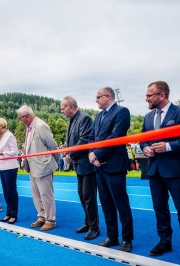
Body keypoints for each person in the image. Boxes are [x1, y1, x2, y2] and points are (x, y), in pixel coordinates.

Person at [141, 81, 180, 264]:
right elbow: (143, 139)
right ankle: (165, 241)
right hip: (154, 170)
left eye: (149, 95)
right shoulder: (148, 117)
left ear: (162, 95)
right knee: (160, 209)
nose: (146, 98)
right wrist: (145, 148)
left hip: (175, 170)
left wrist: (168, 146)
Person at [88, 86, 134, 252]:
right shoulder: (99, 116)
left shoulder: (122, 112)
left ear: (107, 96)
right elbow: (93, 138)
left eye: (98, 97)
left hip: (115, 166)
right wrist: (92, 155)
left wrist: (97, 155)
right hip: (99, 168)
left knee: (121, 204)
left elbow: (116, 136)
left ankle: (127, 238)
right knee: (106, 204)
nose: (96, 101)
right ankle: (112, 236)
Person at [61, 96, 99, 240]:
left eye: (63, 108)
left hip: (86, 164)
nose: (62, 111)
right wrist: (67, 151)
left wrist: (70, 154)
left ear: (71, 107)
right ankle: (88, 222)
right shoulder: (72, 121)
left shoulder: (84, 118)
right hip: (78, 164)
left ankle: (94, 227)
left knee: (88, 196)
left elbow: (84, 140)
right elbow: (72, 140)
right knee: (82, 194)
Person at [17, 105, 59, 231]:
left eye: (20, 118)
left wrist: (53, 162)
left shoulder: (40, 125)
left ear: (27, 116)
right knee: (36, 194)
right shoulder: (29, 127)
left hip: (43, 166)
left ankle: (51, 219)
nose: (20, 120)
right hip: (33, 166)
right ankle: (42, 216)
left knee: (46, 194)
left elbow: (53, 145)